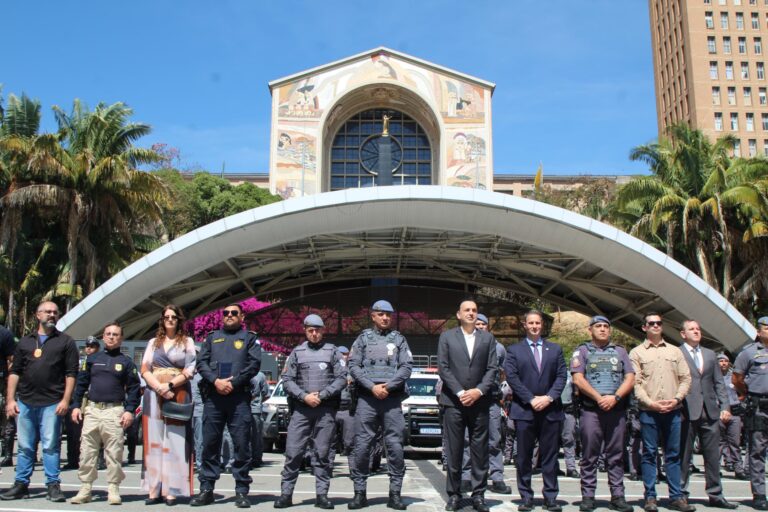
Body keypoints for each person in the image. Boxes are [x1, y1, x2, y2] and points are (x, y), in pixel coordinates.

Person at [1, 301, 79, 502]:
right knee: (25, 446)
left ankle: (53, 485)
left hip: (52, 402)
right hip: (25, 402)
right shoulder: (25, 342)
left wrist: (65, 400)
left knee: (50, 446)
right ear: (38, 315)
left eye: (55, 312)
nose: (52, 315)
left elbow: (71, 374)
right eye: (48, 312)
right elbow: (14, 372)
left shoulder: (66, 342)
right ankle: (21, 484)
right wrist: (10, 400)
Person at [274, 314, 347, 509]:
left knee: (322, 454)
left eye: (317, 330)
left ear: (323, 330)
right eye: (310, 330)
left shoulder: (333, 352)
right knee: (293, 452)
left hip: (325, 410)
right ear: (305, 331)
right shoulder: (297, 352)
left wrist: (322, 395)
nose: (314, 334)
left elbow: (342, 378)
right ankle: (286, 494)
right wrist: (304, 396)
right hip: (301, 410)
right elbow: (287, 380)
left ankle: (322, 496)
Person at [191, 303, 261, 508]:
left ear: (242, 316)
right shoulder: (212, 338)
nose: (229, 315)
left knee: (241, 445)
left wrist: (233, 383)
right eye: (226, 313)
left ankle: (241, 491)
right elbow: (201, 363)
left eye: (234, 313)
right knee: (210, 444)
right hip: (214, 398)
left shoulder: (249, 338)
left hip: (238, 399)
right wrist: (216, 381)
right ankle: (206, 490)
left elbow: (254, 365)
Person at [348, 300, 413, 511]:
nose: (385, 317)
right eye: (381, 314)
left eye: (388, 314)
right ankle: (360, 493)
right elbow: (353, 366)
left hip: (391, 400)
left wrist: (388, 386)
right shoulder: (362, 339)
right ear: (373, 316)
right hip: (367, 399)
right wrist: (372, 386)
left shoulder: (399, 339)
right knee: (362, 446)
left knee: (395, 446)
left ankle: (395, 494)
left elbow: (406, 367)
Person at [69, 322, 141, 505]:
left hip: (114, 411)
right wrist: (76, 406)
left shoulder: (126, 362)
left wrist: (129, 411)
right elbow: (81, 384)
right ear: (103, 336)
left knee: (114, 452)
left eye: (115, 334)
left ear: (121, 338)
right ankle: (85, 488)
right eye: (108, 334)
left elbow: (134, 389)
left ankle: (113, 488)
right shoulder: (92, 359)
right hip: (92, 410)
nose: (111, 337)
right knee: (87, 451)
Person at [629, 312, 693, 512]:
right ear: (644, 327)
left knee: (673, 455)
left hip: (673, 411)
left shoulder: (675, 351)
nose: (656, 326)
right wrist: (651, 403)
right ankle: (650, 497)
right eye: (651, 323)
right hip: (649, 411)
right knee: (649, 454)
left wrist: (676, 399)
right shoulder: (636, 353)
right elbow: (635, 383)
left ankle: (676, 496)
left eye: (658, 323)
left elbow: (686, 378)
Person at [438, 301, 498, 512]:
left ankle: (479, 495)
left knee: (480, 451)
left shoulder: (487, 338)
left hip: (479, 402)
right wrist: (461, 392)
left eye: (474, 310)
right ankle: (454, 495)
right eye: (467, 310)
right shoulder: (447, 337)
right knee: (454, 450)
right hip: (454, 402)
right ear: (459, 314)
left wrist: (478, 391)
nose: (471, 313)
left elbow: (492, 368)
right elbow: (443, 367)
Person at [570, 316, 635, 512]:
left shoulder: (620, 351)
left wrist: (615, 397)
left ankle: (618, 496)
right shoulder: (582, 351)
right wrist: (599, 398)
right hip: (591, 410)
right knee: (589, 455)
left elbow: (630, 378)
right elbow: (578, 379)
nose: (603, 329)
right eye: (598, 326)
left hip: (616, 410)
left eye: (606, 326)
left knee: (616, 455)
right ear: (590, 330)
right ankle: (588, 497)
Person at [504, 309, 566, 512]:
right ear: (525, 325)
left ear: (542, 325)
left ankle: (551, 497)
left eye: (537, 323)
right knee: (523, 457)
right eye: (531, 323)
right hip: (524, 411)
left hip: (550, 410)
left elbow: (561, 376)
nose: (534, 326)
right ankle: (526, 497)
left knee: (550, 457)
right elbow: (512, 378)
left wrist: (548, 397)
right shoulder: (514, 350)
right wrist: (531, 399)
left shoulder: (555, 349)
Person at [140, 304, 196, 506]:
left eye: (174, 317)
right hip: (153, 393)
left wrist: (169, 385)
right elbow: (145, 368)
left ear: (179, 320)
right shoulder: (153, 342)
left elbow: (190, 368)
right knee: (154, 441)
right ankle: (154, 489)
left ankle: (172, 490)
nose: (170, 320)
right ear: (162, 320)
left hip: (177, 392)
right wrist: (158, 387)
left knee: (174, 439)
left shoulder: (187, 342)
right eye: (167, 317)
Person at [677, 320, 736, 509]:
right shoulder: (677, 353)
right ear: (683, 334)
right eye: (691, 329)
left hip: (710, 412)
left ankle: (716, 494)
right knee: (684, 456)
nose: (696, 331)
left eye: (698, 329)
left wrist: (725, 406)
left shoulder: (710, 354)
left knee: (712, 456)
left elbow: (719, 383)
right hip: (686, 411)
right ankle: (681, 494)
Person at [459, 313, 511, 495]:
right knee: (467, 439)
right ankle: (466, 477)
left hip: (491, 399)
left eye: (483, 324)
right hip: (470, 399)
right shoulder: (465, 344)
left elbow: (504, 372)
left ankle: (497, 477)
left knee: (494, 440)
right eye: (478, 323)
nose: (480, 326)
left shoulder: (499, 348)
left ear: (488, 327)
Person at [732, 316, 768, 510]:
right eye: (767, 328)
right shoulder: (749, 353)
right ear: (759, 331)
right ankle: (759, 494)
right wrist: (748, 393)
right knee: (757, 451)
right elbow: (737, 378)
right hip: (759, 406)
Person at [64, 338, 101, 471]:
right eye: (87, 346)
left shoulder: (100, 360)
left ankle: (98, 459)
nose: (89, 349)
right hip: (77, 398)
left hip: (92, 399)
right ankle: (73, 459)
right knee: (73, 431)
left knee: (95, 430)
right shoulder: (78, 362)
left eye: (92, 346)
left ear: (97, 348)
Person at [718, 353, 746, 479]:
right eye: (721, 361)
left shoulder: (733, 377)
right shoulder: (712, 377)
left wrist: (738, 400)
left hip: (734, 412)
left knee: (735, 442)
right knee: (718, 443)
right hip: (719, 412)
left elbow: (743, 391)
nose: (723, 363)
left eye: (726, 361)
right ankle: (714, 469)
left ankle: (738, 468)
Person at [334, 347, 355, 458]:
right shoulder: (330, 369)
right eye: (341, 354)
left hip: (348, 410)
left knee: (350, 442)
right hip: (332, 409)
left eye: (345, 354)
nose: (343, 356)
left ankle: (354, 468)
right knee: (328, 442)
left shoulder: (353, 370)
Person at [0, 324, 14, 469]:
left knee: (7, 416)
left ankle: (7, 453)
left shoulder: (4, 334)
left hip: (2, 382)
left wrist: (8, 375)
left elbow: (13, 359)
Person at [250, 371, 270, 469]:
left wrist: (258, 402)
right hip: (240, 410)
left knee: (256, 436)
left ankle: (256, 459)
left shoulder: (260, 375)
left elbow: (266, 394)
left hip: (255, 410)